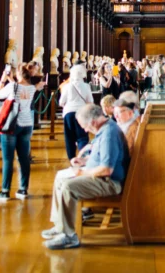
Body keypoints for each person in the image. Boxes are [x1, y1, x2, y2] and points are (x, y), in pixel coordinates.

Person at [42, 103, 130, 250]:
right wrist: (84, 161)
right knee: (60, 178)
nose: (84, 129)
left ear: (93, 122)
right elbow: (100, 156)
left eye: (84, 126)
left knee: (68, 187)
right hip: (99, 176)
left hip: (109, 182)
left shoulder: (109, 134)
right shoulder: (104, 129)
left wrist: (83, 172)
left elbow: (107, 169)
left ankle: (69, 236)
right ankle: (60, 225)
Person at [0, 63, 44, 203]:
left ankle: (5, 191)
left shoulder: (13, 86)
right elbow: (19, 89)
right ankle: (23, 188)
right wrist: (11, 80)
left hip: (12, 125)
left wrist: (3, 80)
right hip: (27, 124)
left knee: (8, 159)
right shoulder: (31, 88)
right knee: (23, 158)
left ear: (18, 73)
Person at [59, 64, 92, 160]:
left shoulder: (67, 86)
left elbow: (61, 102)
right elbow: (90, 101)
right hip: (82, 113)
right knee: (82, 136)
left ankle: (72, 159)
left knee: (69, 137)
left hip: (68, 113)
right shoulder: (86, 86)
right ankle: (83, 157)